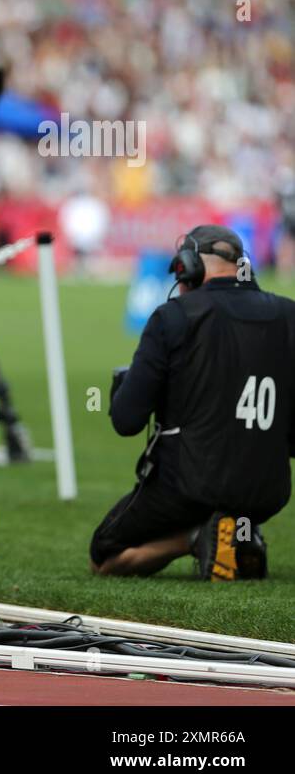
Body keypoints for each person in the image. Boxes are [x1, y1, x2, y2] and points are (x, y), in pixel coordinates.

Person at [91, 225, 295, 580]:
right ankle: (242, 530)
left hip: (187, 487)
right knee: (234, 501)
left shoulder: (174, 316)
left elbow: (127, 421)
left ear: (188, 266)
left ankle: (196, 537)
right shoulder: (289, 315)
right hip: (268, 491)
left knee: (104, 554)